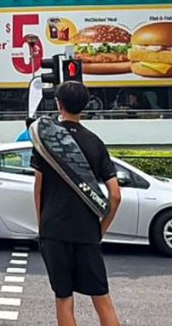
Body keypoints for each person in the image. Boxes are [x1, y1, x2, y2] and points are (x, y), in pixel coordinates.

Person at [31, 81, 121, 326]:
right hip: (87, 231)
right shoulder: (95, 143)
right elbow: (115, 195)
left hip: (54, 230)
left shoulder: (48, 140)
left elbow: (38, 188)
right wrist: (100, 228)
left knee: (63, 298)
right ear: (85, 106)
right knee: (102, 299)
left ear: (58, 104)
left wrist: (43, 225)